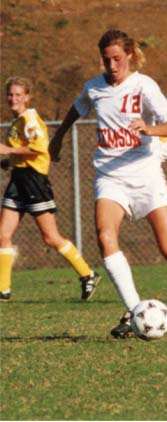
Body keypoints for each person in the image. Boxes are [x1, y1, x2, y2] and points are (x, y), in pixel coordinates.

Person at [48, 29, 167, 338]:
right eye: (106, 60)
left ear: (129, 55)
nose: (112, 65)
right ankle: (134, 312)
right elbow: (76, 109)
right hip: (110, 176)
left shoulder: (144, 85)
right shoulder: (94, 88)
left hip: (145, 174)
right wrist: (58, 138)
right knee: (105, 237)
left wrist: (149, 128)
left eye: (117, 58)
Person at [0, 77, 100, 301]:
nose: (13, 98)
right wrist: (9, 162)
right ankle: (3, 289)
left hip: (34, 182)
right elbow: (22, 152)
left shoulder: (30, 118)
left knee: (50, 237)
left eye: (18, 94)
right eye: (10, 94)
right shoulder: (17, 123)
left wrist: (7, 150)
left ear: (27, 97)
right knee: (2, 235)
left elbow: (39, 147)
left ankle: (88, 274)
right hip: (18, 180)